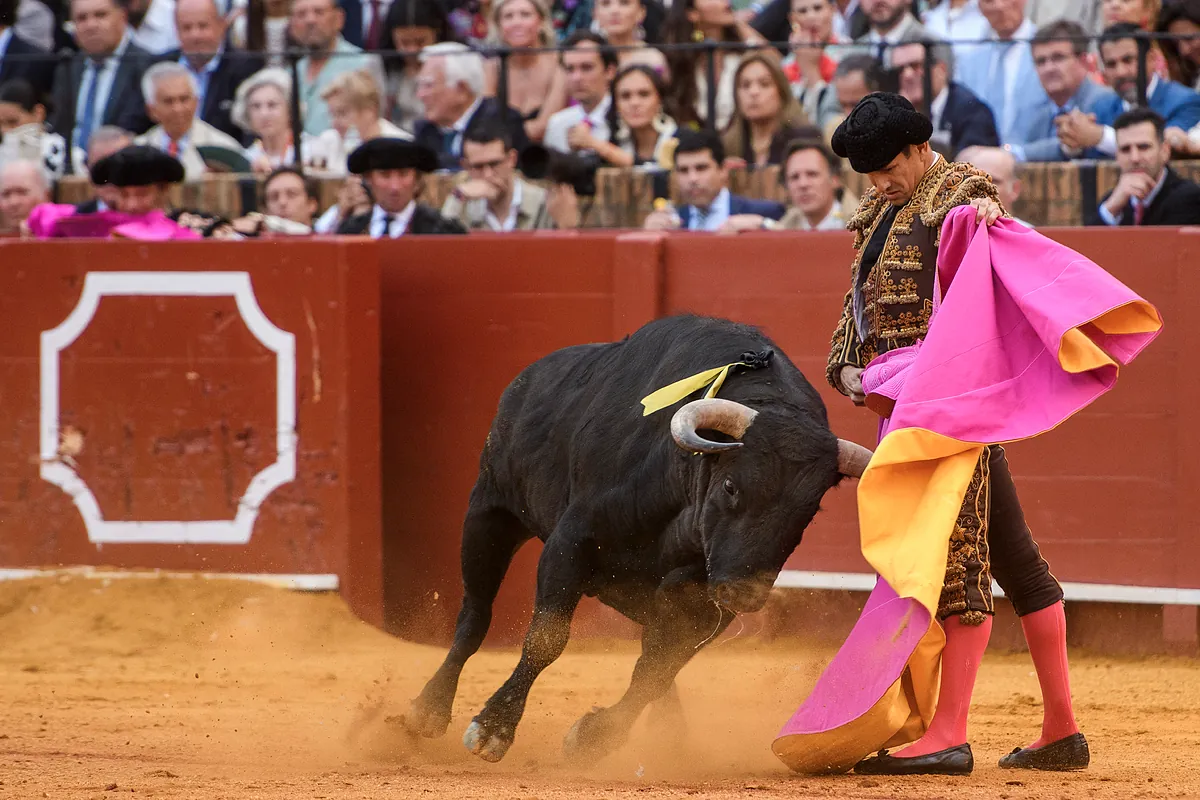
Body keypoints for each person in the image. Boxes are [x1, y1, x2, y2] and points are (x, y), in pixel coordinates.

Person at [824, 92, 1087, 776]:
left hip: (948, 408)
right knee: (1017, 563)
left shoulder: (957, 195)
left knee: (958, 558)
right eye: (869, 173)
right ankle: (1061, 730)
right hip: (910, 409)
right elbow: (860, 304)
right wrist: (846, 365)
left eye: (889, 168)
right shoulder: (879, 212)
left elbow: (979, 207)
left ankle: (949, 733)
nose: (881, 182)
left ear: (919, 148)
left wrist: (987, 213)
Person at [641, 127, 785, 230]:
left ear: (723, 171)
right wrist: (648, 235)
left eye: (701, 168)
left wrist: (764, 225)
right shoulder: (670, 223)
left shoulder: (763, 212)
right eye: (683, 170)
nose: (692, 179)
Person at [890, 34, 999, 156]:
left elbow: (969, 164)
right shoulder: (894, 112)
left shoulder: (971, 112)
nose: (907, 75)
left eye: (916, 66)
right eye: (900, 70)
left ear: (941, 69)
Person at [134, 62, 246, 181]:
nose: (178, 109)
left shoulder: (224, 148)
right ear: (151, 109)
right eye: (168, 101)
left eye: (184, 99)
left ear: (196, 102)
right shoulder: (138, 150)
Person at [1087, 107, 1200, 225]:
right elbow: (1087, 237)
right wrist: (1111, 209)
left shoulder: (1189, 197)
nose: (1134, 158)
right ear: (1117, 156)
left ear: (1164, 151)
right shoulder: (1112, 201)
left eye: (1143, 147)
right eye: (1125, 149)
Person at [336, 138, 467, 236]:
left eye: (404, 174)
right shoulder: (351, 230)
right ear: (369, 179)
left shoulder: (442, 230)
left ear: (416, 180)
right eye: (385, 175)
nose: (395, 186)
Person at [440, 120, 557, 230]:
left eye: (494, 164)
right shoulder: (461, 206)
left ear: (512, 159)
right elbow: (441, 240)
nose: (488, 174)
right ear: (466, 167)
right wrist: (457, 197)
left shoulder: (543, 203)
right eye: (478, 166)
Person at [958, 144, 1033, 226]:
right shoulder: (949, 230)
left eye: (993, 181)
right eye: (973, 181)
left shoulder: (1028, 233)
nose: (982, 188)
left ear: (1015, 189)